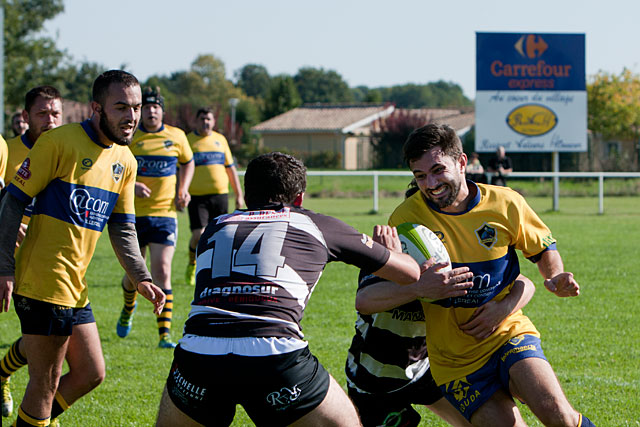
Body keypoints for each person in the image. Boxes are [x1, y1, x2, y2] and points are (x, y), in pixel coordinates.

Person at [155, 152, 434, 427]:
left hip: (198, 354)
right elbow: (409, 273)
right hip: (273, 355)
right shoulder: (314, 223)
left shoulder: (215, 227)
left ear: (246, 191)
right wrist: (393, 250)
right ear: (298, 199)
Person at [387, 123, 594, 426]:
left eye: (438, 170)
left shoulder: (505, 203)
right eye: (420, 176)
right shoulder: (406, 219)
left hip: (508, 332)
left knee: (557, 414)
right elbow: (385, 287)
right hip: (455, 361)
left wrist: (555, 276)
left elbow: (543, 249)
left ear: (461, 162)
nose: (430, 184)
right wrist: (417, 285)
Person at [0, 70, 166, 427]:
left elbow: (123, 228)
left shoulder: (126, 161)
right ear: (96, 108)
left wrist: (141, 277)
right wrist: (4, 268)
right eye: (120, 107)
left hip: (75, 285)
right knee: (44, 384)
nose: (132, 116)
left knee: (91, 373)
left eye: (135, 107)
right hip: (44, 280)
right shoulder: (59, 142)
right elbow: (11, 203)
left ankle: (33, 422)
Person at [345, 185, 536, 427]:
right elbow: (364, 301)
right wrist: (415, 286)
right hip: (377, 380)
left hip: (431, 368)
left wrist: (503, 307)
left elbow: (524, 283)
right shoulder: (387, 255)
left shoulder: (450, 256)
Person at [0, 85, 64, 420]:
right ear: (25, 117)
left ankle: (2, 374)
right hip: (8, 255)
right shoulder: (8, 150)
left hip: (52, 259)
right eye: (42, 114)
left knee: (45, 338)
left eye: (55, 113)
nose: (50, 121)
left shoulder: (66, 149)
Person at [116, 86, 194, 349]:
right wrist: (133, 183)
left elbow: (188, 162)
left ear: (162, 111)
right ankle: (129, 308)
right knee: (134, 276)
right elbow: (116, 167)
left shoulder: (176, 136)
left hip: (165, 215)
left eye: (155, 107)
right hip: (132, 216)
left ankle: (164, 335)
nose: (150, 111)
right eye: (145, 107)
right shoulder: (130, 137)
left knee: (162, 271)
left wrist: (183, 188)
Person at [184, 107, 244, 286]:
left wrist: (239, 194)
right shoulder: (188, 141)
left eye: (209, 119)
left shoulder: (220, 140)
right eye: (202, 119)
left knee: (221, 235)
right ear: (196, 121)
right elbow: (181, 169)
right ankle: (192, 263)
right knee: (198, 235)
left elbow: (230, 169)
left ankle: (217, 270)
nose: (205, 122)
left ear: (213, 121)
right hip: (197, 196)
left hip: (220, 195)